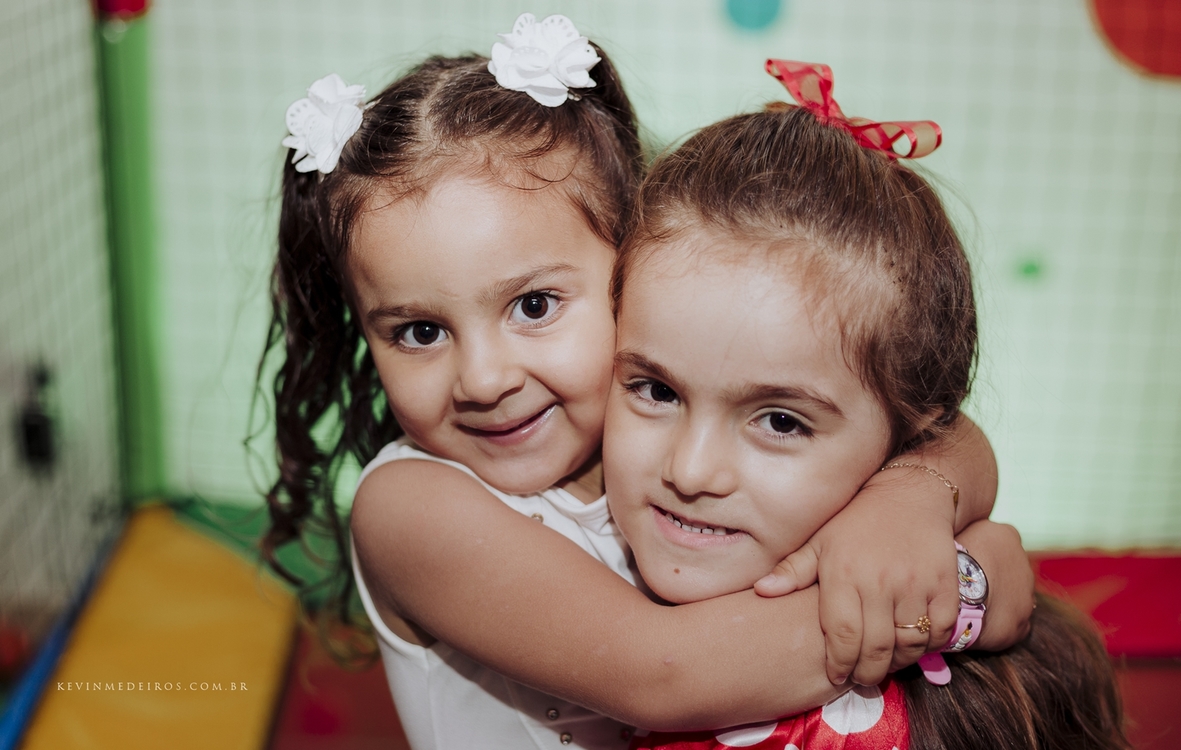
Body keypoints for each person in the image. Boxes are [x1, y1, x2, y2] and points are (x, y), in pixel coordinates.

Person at [257, 17, 1031, 750]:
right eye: (419, 332)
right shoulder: (412, 508)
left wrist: (913, 497)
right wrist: (955, 597)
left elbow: (941, 430)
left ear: (629, 276)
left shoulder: (659, 444)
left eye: (533, 306)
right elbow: (663, 674)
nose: (484, 380)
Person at [605, 59, 1129, 750]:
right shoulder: (536, 496)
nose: (692, 470)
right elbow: (664, 673)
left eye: (782, 421)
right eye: (657, 390)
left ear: (906, 435)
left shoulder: (983, 711)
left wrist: (924, 510)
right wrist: (964, 586)